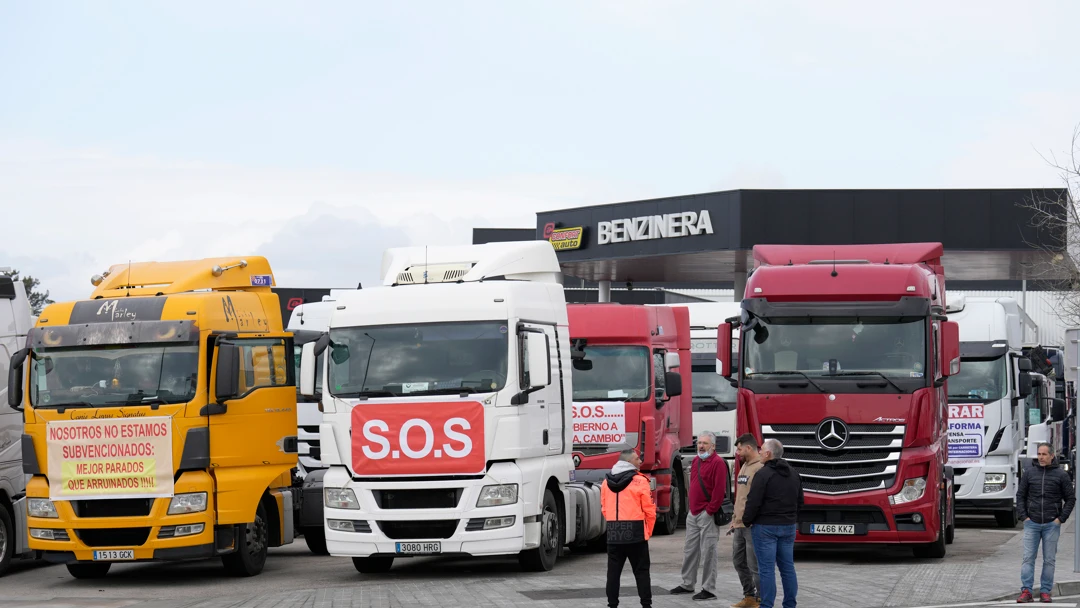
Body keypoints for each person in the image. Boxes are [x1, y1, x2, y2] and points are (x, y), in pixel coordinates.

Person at [743, 439, 803, 608]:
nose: (760, 452)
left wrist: (747, 520)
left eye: (762, 450)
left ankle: (767, 605)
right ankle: (790, 604)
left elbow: (753, 501)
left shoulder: (763, 474)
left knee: (767, 569)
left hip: (765, 527)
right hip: (788, 526)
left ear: (768, 453)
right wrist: (791, 518)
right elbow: (800, 501)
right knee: (787, 568)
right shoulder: (794, 473)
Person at [671, 431, 730, 601]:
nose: (701, 446)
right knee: (690, 550)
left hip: (707, 515)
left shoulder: (718, 463)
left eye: (705, 443)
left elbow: (719, 492)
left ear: (713, 446)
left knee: (709, 552)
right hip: (693, 513)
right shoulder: (697, 460)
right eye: (699, 443)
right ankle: (687, 583)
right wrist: (691, 510)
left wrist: (709, 511)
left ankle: (708, 589)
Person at [1016, 442, 1076, 603]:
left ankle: (1045, 591)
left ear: (1052, 456)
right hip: (1032, 523)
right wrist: (1024, 517)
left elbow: (1070, 499)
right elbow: (1020, 496)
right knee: (1028, 558)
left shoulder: (1061, 475)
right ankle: (1026, 591)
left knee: (1049, 559)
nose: (1041, 457)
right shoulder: (1029, 473)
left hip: (1051, 524)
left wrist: (1060, 519)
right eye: (1039, 454)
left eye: (1044, 454)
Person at [601, 448, 657, 608]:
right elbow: (649, 509)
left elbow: (604, 508)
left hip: (613, 531)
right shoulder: (640, 481)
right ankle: (646, 605)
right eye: (637, 459)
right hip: (636, 532)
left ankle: (612, 605)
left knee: (613, 573)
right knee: (641, 572)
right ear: (628, 462)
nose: (640, 461)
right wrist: (648, 531)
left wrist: (614, 523)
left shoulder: (606, 482)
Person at [727, 433, 765, 608]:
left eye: (740, 448)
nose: (738, 452)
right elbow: (741, 497)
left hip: (752, 525)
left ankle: (762, 599)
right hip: (739, 525)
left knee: (754, 565)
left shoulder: (760, 468)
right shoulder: (744, 466)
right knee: (738, 561)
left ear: (749, 448)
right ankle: (749, 596)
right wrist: (734, 519)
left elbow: (758, 500)